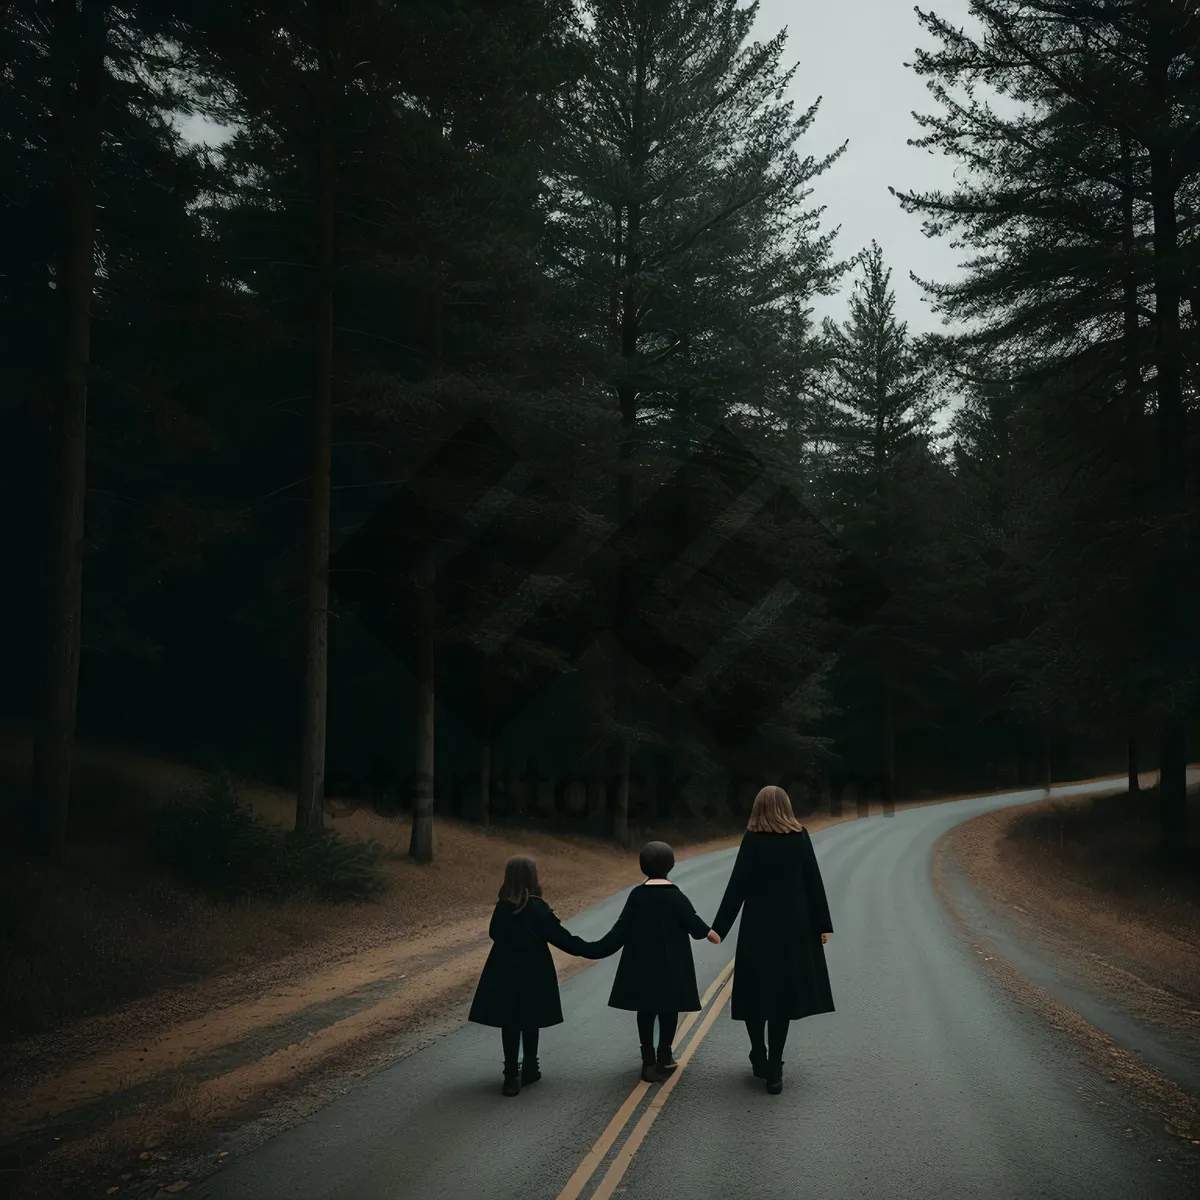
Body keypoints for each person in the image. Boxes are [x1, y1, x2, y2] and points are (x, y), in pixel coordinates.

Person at [709, 785, 834, 1095]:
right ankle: (775, 1067)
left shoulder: (753, 839)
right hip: (793, 927)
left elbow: (737, 884)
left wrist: (719, 928)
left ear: (758, 808)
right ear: (786, 807)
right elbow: (812, 881)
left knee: (756, 991)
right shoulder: (799, 836)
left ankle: (758, 1053)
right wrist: (822, 925)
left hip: (757, 926)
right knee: (782, 996)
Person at [583, 841, 721, 1082]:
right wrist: (711, 933)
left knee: (645, 1011)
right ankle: (665, 1056)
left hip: (641, 967)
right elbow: (693, 921)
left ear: (642, 867)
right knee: (669, 1010)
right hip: (671, 967)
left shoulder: (637, 896)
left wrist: (593, 949)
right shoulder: (676, 896)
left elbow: (620, 931)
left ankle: (648, 1062)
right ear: (672, 865)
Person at [468, 855, 594, 1096]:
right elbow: (564, 940)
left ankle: (510, 1076)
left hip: (503, 970)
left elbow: (494, 934)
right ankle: (530, 1068)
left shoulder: (502, 908)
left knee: (510, 1021)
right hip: (535, 972)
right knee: (530, 1018)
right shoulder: (538, 908)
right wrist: (597, 948)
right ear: (531, 878)